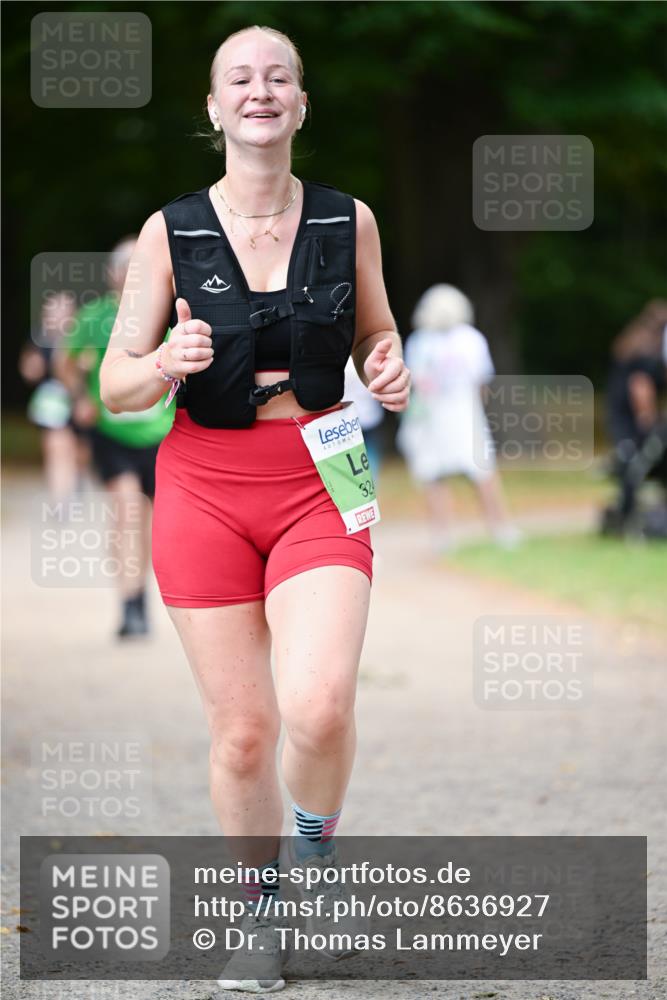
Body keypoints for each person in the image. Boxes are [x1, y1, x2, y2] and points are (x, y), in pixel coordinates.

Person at [99, 24, 410, 994]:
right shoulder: (170, 230)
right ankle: (259, 917)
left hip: (323, 473)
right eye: (241, 78)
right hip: (203, 483)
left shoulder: (346, 219)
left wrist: (387, 366)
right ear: (213, 105)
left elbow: (375, 332)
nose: (260, 91)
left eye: (278, 77)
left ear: (301, 103)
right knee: (242, 731)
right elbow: (113, 385)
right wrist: (161, 364)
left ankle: (312, 855)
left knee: (317, 708)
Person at [57, 239, 176, 638]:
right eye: (126, 269)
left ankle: (167, 601)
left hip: (162, 435)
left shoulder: (168, 315)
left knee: (162, 525)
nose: (132, 277)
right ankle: (132, 604)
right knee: (127, 511)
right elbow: (66, 364)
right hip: (112, 433)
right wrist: (80, 398)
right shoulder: (94, 317)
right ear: (113, 275)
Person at [396, 283, 520, 553]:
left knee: (435, 477)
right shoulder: (471, 338)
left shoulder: (421, 341)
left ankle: (443, 535)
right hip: (465, 416)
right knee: (482, 473)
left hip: (433, 419)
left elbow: (414, 382)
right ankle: (500, 529)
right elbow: (482, 382)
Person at [603, 299, 667, 533]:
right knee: (637, 464)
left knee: (631, 464)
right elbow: (640, 389)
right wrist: (649, 422)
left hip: (619, 419)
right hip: (631, 424)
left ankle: (625, 516)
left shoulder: (634, 344)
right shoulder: (647, 355)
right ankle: (629, 519)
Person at [19, 291, 87, 503]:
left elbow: (89, 367)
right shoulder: (40, 337)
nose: (56, 316)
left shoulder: (83, 337)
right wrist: (32, 367)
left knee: (80, 453)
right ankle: (60, 499)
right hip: (53, 404)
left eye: (62, 311)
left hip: (79, 401)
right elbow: (29, 369)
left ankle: (74, 484)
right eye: (52, 311)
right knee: (57, 447)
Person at [343, 355, 385, 484]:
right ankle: (372, 481)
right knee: (370, 452)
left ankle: (361, 482)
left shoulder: (343, 364)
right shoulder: (366, 359)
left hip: (350, 419)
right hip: (369, 415)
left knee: (353, 456)